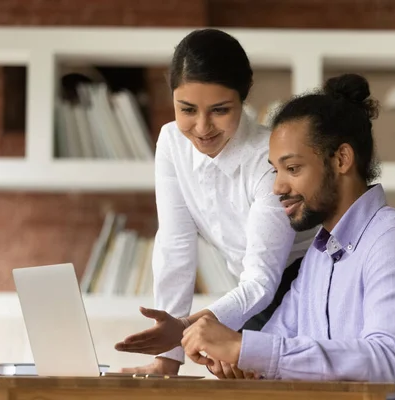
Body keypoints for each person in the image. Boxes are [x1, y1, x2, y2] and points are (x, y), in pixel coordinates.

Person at [179, 73, 395, 400]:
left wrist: (244, 347)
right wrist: (239, 360)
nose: (278, 187)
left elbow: (388, 363)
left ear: (341, 159)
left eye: (293, 169)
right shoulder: (319, 254)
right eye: (276, 170)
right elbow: (277, 340)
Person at [114, 28, 317, 375]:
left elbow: (263, 280)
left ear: (245, 95)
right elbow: (175, 246)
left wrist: (184, 329)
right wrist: (167, 361)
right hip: (246, 292)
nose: (202, 127)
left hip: (303, 286)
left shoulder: (269, 160)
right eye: (187, 109)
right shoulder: (171, 142)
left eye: (220, 110)